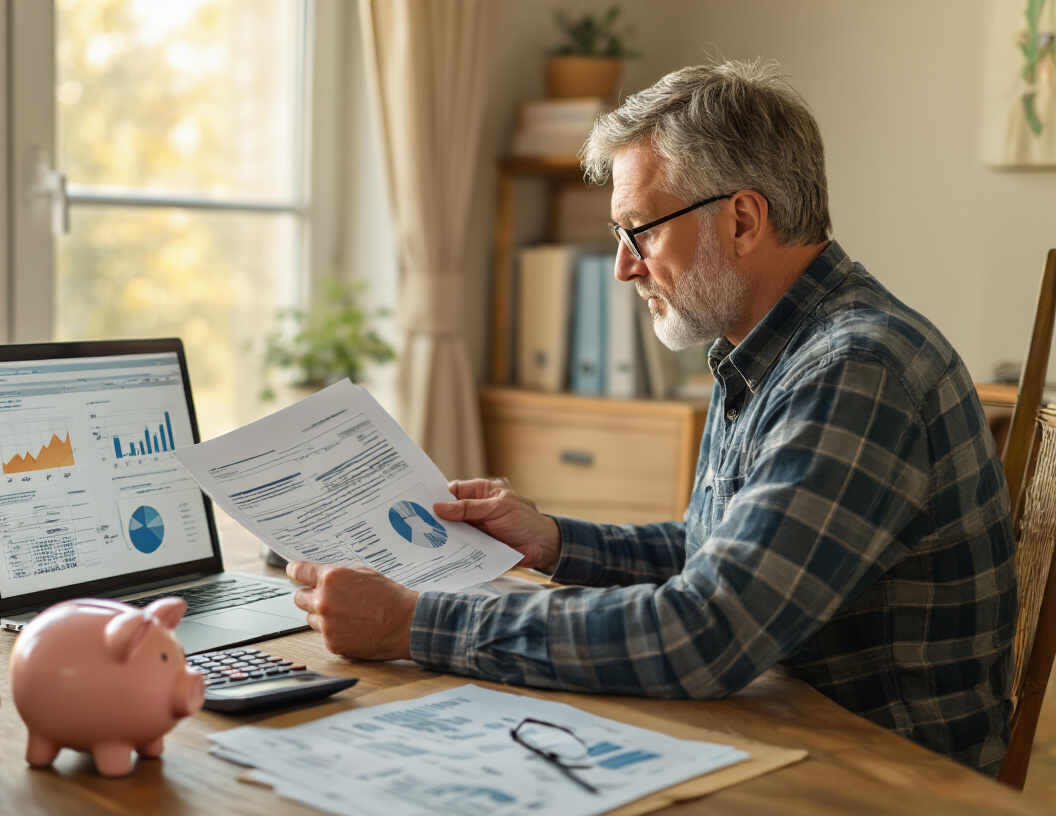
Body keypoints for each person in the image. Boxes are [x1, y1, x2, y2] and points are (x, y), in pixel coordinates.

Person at [287, 58, 1018, 775]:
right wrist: (553, 542)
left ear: (742, 219)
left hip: (881, 777)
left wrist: (413, 623)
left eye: (640, 230)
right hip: (784, 725)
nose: (623, 267)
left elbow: (705, 631)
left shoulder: (856, 371)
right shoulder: (772, 348)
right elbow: (721, 550)